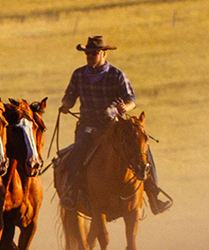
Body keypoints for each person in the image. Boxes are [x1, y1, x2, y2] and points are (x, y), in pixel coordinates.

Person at [58, 35, 171, 214]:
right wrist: (65, 104)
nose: (89, 56)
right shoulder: (79, 74)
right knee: (78, 151)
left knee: (143, 150)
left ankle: (154, 196)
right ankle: (71, 192)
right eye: (88, 53)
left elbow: (131, 100)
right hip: (87, 125)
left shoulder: (116, 75)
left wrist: (125, 107)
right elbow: (70, 95)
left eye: (93, 53)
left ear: (104, 53)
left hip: (112, 125)